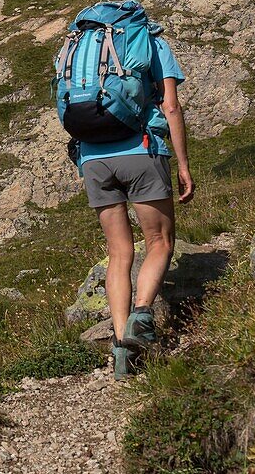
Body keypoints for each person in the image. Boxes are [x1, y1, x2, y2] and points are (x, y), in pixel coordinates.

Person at [76, 31, 195, 378]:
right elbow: (170, 106)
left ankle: (119, 346)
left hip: (93, 158)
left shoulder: (77, 51)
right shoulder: (151, 42)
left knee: (119, 252)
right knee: (159, 241)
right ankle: (141, 318)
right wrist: (183, 164)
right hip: (141, 152)